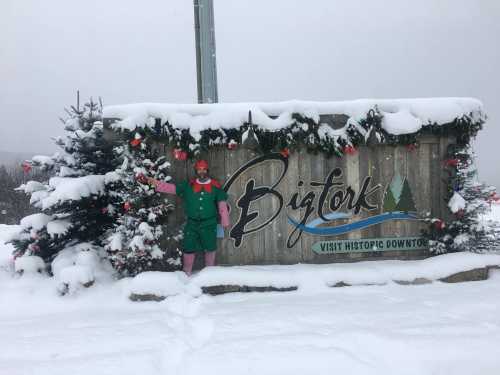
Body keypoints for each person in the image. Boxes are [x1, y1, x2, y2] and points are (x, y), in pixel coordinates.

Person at [147, 159, 230, 276]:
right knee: (188, 246)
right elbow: (172, 188)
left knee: (210, 247)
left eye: (204, 169)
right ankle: (186, 273)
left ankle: (210, 275)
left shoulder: (215, 186)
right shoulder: (188, 185)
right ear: (196, 171)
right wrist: (155, 183)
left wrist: (225, 220)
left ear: (207, 170)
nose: (202, 172)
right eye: (199, 169)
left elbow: (222, 203)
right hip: (192, 223)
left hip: (209, 223)